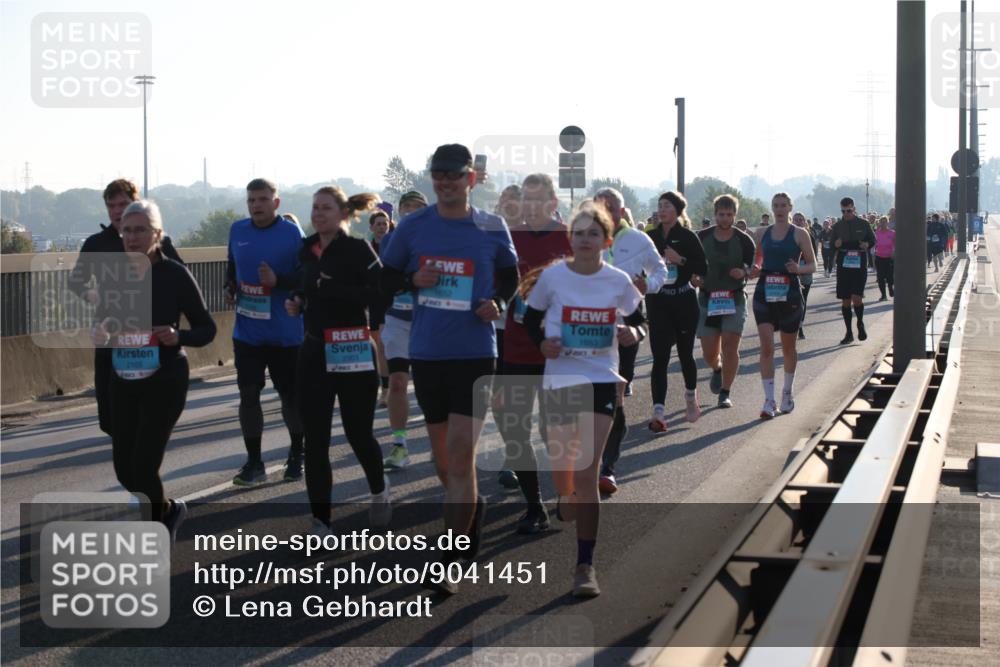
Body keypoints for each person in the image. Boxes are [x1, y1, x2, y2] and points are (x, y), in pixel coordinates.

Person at [380, 144, 519, 594]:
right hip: (428, 353)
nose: (445, 181)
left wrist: (498, 303)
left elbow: (510, 278)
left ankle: (450, 561)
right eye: (437, 174)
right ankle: (469, 521)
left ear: (470, 180)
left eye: (454, 175)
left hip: (477, 353)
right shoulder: (413, 227)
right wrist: (408, 281)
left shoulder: (492, 227)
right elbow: (381, 279)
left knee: (460, 456)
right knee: (446, 464)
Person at [522, 202, 646, 597]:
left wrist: (634, 334)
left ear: (606, 240)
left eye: (594, 233)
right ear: (570, 239)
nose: (586, 239)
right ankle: (565, 491)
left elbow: (638, 317)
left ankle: (584, 566)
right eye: (580, 233)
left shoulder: (617, 280)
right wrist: (543, 343)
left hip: (599, 379)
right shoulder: (554, 277)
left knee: (588, 473)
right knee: (566, 467)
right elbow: (527, 318)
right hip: (561, 379)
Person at [94, 200, 216, 542]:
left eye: (140, 230)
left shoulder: (174, 275)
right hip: (123, 380)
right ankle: (168, 512)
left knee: (145, 466)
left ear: (157, 234)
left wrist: (180, 336)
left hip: (165, 379)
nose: (131, 237)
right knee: (125, 471)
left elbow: (207, 329)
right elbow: (104, 333)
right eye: (127, 230)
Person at [285, 186, 390, 533]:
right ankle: (321, 522)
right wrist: (297, 299)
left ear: (343, 213)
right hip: (314, 350)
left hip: (354, 348)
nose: (318, 213)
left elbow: (381, 294)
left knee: (358, 433)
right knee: (315, 440)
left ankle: (379, 491)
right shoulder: (307, 247)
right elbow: (304, 283)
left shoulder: (359, 250)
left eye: (325, 208)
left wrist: (337, 290)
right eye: (315, 207)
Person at [68, 179, 184, 438]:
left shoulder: (157, 242)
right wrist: (91, 293)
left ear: (136, 202)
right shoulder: (96, 244)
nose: (117, 211)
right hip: (110, 338)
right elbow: (76, 281)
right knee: (109, 419)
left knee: (144, 414)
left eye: (123, 204)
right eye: (111, 206)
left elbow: (181, 279)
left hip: (148, 339)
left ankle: (140, 462)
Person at [494, 173, 571, 534]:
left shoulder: (570, 237)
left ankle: (567, 493)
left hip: (559, 351)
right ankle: (534, 504)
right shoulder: (508, 238)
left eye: (538, 200)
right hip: (517, 347)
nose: (530, 206)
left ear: (553, 204)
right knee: (515, 427)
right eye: (526, 199)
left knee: (555, 430)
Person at [226, 178, 306, 485]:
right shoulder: (238, 231)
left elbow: (304, 276)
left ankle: (297, 452)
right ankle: (254, 462)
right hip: (247, 332)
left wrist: (279, 282)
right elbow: (231, 267)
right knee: (248, 394)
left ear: (276, 203)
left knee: (290, 397)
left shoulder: (291, 232)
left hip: (286, 333)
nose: (256, 205)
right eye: (251, 200)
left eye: (262, 199)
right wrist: (230, 287)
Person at [592, 187, 667, 495]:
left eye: (612, 208)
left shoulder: (638, 239)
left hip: (627, 325)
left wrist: (647, 284)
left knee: (615, 397)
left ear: (622, 212)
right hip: (588, 329)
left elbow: (661, 271)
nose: (606, 212)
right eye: (601, 207)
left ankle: (608, 468)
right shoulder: (585, 236)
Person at [645, 190, 707, 433]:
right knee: (659, 357)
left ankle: (691, 397)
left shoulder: (688, 237)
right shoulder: (649, 237)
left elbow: (703, 267)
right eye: (660, 205)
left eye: (667, 206)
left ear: (677, 210)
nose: (662, 210)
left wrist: (679, 260)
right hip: (658, 302)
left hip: (683, 300)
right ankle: (658, 412)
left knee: (685, 354)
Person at [750, 193, 816, 419]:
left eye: (783, 206)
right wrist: (754, 269)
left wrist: (799, 269)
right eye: (775, 205)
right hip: (764, 291)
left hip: (789, 293)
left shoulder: (799, 233)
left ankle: (787, 392)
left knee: (788, 348)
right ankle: (769, 400)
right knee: (766, 347)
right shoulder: (761, 233)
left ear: (790, 208)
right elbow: (756, 260)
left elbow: (812, 264)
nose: (779, 209)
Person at [379, 190, 430, 469]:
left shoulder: (437, 237)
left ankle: (440, 438)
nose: (410, 211)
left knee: (429, 386)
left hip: (429, 320)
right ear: (398, 212)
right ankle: (400, 445)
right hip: (398, 318)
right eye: (406, 207)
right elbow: (390, 276)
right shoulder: (390, 238)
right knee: (397, 383)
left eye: (417, 207)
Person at [694, 194, 755, 408]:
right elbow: (692, 266)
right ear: (715, 214)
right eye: (721, 214)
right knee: (709, 352)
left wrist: (743, 271)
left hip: (734, 299)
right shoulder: (702, 237)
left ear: (735, 215)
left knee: (730, 347)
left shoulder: (744, 239)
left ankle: (726, 392)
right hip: (708, 300)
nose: (725, 219)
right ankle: (717, 368)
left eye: (729, 215)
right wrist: (694, 278)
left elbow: (752, 267)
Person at [831, 197, 876, 345]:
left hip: (859, 261)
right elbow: (831, 244)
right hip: (844, 263)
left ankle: (860, 323)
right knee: (845, 300)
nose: (846, 213)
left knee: (857, 297)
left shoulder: (863, 224)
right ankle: (849, 332)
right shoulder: (837, 226)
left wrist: (866, 244)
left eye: (849, 210)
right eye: (843, 211)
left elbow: (873, 240)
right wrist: (836, 244)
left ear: (854, 209)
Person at [369, 210, 393, 407]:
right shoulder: (367, 249)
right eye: (378, 224)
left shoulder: (396, 246)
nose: (382, 227)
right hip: (375, 301)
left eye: (385, 224)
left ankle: (392, 386)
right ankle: (385, 389)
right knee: (380, 346)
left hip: (395, 300)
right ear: (371, 228)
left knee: (387, 345)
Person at [792, 213, 815, 340]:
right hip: (791, 271)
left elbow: (814, 256)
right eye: (796, 220)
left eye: (801, 220)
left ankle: (800, 326)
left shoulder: (808, 236)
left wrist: (806, 266)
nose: (799, 222)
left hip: (805, 271)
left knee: (803, 300)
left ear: (805, 222)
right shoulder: (787, 235)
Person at [874, 215, 895, 301]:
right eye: (881, 222)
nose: (883, 224)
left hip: (889, 257)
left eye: (884, 222)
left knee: (890, 276)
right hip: (879, 257)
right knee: (880, 277)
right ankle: (883, 295)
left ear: (887, 223)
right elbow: (874, 243)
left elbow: (895, 244)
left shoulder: (892, 233)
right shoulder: (877, 233)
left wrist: (894, 251)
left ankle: (890, 288)